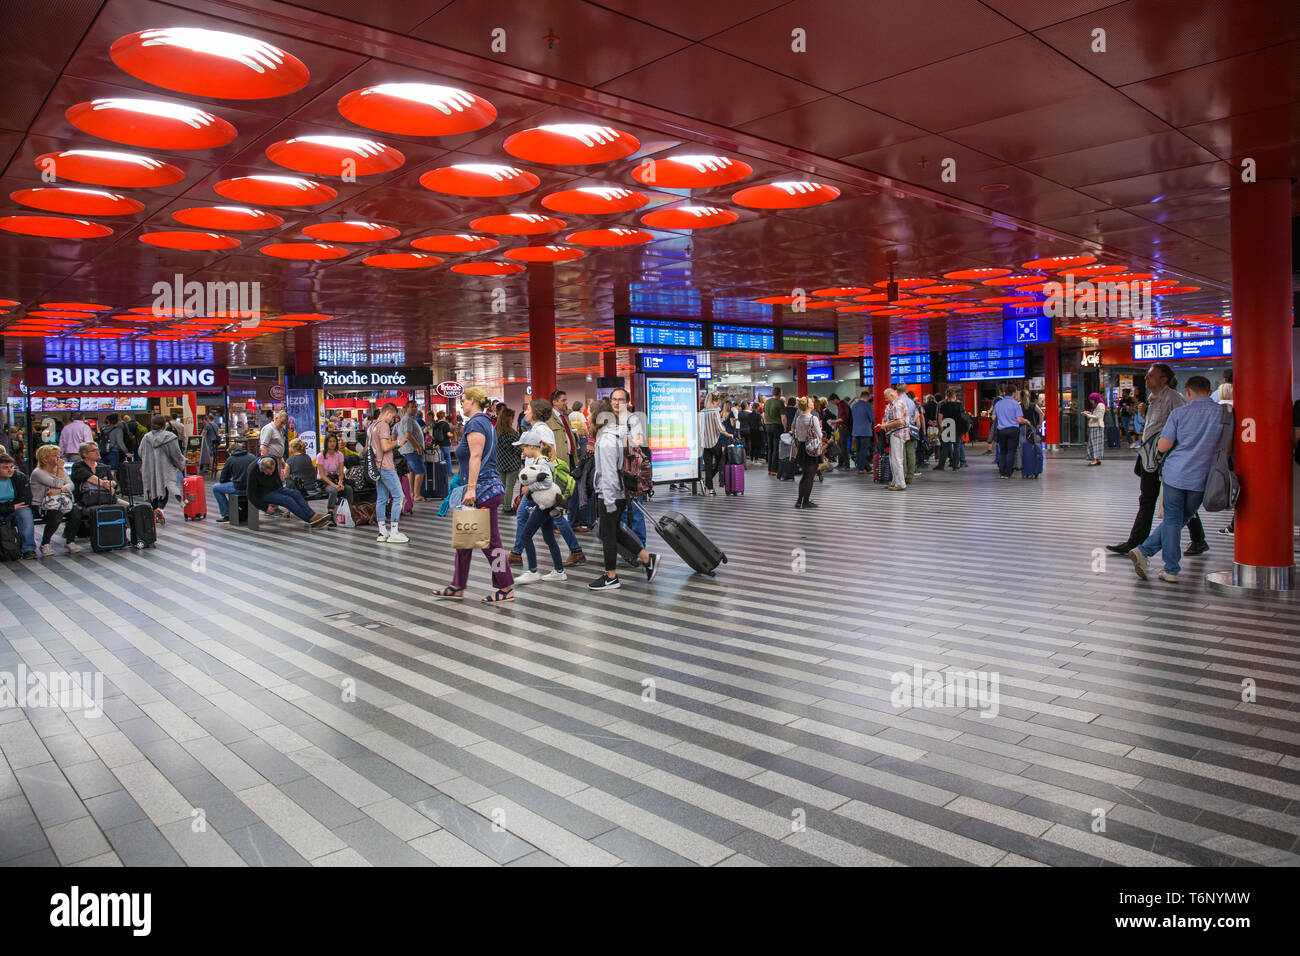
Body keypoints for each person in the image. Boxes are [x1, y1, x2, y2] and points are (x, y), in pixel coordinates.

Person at [1106, 364, 1210, 557]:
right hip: (1151, 456)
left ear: (1164, 380)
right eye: (1147, 374)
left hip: (1164, 458)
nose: (1146, 378)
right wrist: (1144, 414)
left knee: (1165, 501)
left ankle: (1139, 542)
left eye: (1151, 375)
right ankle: (1196, 539)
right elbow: (1156, 425)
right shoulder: (1152, 398)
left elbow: (1182, 425)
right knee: (1151, 499)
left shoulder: (1174, 398)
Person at [1128, 377, 1224, 584]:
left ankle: (1159, 561)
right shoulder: (1223, 414)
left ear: (1187, 392)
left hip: (1175, 474)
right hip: (1202, 477)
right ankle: (1152, 557)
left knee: (1173, 520)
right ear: (1209, 391)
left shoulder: (1179, 413)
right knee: (1183, 518)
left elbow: (1163, 446)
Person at [437, 387, 515, 603]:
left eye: (463, 400)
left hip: (482, 491)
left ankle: (506, 586)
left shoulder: (476, 423)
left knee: (491, 543)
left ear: (473, 401)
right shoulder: (485, 423)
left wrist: (471, 488)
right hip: (482, 489)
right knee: (464, 540)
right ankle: (457, 585)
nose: (461, 404)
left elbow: (476, 455)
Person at [587, 398, 659, 591]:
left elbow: (610, 472)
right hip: (616, 492)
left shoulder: (607, 439)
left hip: (611, 494)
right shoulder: (614, 435)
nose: (587, 417)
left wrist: (609, 501)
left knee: (608, 534)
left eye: (590, 413)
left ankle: (611, 576)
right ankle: (646, 558)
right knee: (612, 531)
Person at [508, 398, 586, 567]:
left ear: (535, 412)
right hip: (538, 482)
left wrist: (533, 482)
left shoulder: (541, 430)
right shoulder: (536, 429)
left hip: (540, 484)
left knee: (535, 516)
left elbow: (549, 456)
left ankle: (518, 553)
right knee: (550, 517)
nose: (525, 412)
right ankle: (517, 552)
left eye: (528, 409)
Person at [512, 428, 571, 586]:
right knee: (549, 537)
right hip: (546, 503)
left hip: (545, 505)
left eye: (523, 448)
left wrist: (529, 489)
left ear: (531, 446)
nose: (523, 451)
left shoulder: (541, 462)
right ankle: (559, 571)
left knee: (525, 536)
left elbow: (547, 481)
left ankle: (532, 571)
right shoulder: (543, 460)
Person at [246, 456, 331, 529]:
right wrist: (264, 507)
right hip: (262, 493)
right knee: (287, 500)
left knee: (295, 493)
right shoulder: (252, 471)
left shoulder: (272, 460)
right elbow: (250, 494)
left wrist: (280, 487)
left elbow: (275, 477)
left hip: (275, 488)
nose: (271, 473)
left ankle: (312, 516)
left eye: (272, 471)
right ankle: (310, 520)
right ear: (262, 468)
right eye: (268, 473)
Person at [29, 445, 82, 556]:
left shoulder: (60, 470)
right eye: (54, 455)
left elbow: (71, 485)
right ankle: (45, 543)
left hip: (61, 501)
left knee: (76, 512)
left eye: (58, 455)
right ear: (45, 459)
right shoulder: (38, 472)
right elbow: (56, 483)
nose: (58, 458)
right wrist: (59, 471)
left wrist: (61, 490)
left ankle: (70, 541)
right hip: (42, 505)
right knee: (55, 515)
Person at [368, 402, 407, 544]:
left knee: (382, 498)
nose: (392, 421)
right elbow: (385, 447)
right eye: (393, 417)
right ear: (388, 413)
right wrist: (397, 442)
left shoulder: (371, 426)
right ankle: (394, 531)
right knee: (399, 497)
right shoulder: (383, 425)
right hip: (386, 466)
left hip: (376, 467)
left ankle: (382, 531)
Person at [139, 415, 184, 524]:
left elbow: (140, 452)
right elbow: (176, 454)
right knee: (164, 489)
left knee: (153, 489)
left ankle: (154, 511)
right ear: (164, 425)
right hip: (165, 468)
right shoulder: (170, 437)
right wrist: (181, 465)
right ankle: (160, 508)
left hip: (149, 468)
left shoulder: (146, 437)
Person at [0, 452, 37, 559]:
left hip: (14, 509)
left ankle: (28, 550)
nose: (10, 470)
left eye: (11, 467)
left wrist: (11, 508)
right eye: (5, 467)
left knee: (25, 513)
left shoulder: (19, 477)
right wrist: (11, 507)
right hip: (9, 507)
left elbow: (26, 499)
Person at [790, 397, 823, 509]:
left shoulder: (799, 418)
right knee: (810, 477)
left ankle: (799, 500)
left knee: (805, 476)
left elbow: (798, 435)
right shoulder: (813, 418)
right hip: (812, 449)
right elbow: (820, 434)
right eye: (811, 402)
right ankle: (806, 502)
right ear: (808, 406)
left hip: (802, 448)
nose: (813, 403)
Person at [214, 442, 256, 523]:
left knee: (216, 488)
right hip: (252, 488)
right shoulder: (252, 457)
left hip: (239, 487)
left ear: (231, 451)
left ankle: (227, 514)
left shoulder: (231, 459)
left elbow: (222, 479)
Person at [990, 386, 1026, 480]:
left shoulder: (998, 404)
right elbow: (1018, 419)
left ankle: (1002, 472)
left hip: (1001, 430)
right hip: (1013, 430)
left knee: (1003, 451)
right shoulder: (1016, 404)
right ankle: (1008, 473)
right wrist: (1025, 421)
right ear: (1013, 393)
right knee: (1011, 451)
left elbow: (993, 418)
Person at [314, 432, 352, 518]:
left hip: (335, 478)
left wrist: (340, 482)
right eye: (330, 441)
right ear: (326, 443)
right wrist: (334, 485)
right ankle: (330, 513)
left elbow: (341, 472)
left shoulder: (339, 455)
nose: (332, 444)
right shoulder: (320, 456)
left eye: (334, 441)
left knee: (348, 489)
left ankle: (349, 511)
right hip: (324, 481)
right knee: (333, 490)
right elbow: (322, 474)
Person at [397, 400, 426, 504]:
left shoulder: (411, 419)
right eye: (413, 407)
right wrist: (417, 446)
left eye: (416, 406)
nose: (415, 408)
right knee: (420, 471)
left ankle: (412, 493)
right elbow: (408, 435)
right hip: (411, 450)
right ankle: (416, 494)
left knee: (412, 472)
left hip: (410, 450)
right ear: (407, 408)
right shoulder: (408, 419)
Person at [881, 388, 909, 491]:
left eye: (886, 397)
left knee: (897, 459)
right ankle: (895, 481)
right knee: (893, 459)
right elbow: (886, 416)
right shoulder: (892, 405)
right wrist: (884, 423)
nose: (885, 399)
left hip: (898, 433)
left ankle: (901, 484)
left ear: (892, 395)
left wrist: (886, 425)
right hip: (894, 433)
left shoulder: (898, 405)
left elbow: (899, 421)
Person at [698, 393, 725, 496]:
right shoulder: (715, 411)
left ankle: (709, 488)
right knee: (720, 463)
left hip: (705, 444)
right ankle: (708, 483)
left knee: (708, 466)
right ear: (715, 402)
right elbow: (719, 427)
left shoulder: (702, 412)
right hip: (715, 442)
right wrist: (727, 432)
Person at [496, 408, 522, 515]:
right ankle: (507, 507)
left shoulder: (496, 431)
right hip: (512, 462)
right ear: (509, 418)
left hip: (500, 462)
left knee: (502, 486)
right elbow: (516, 448)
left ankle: (503, 505)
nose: (513, 419)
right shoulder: (512, 433)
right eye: (512, 417)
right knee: (509, 486)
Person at [936, 388, 965, 471]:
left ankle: (941, 465)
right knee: (957, 446)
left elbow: (940, 417)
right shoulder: (959, 405)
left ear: (947, 396)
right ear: (954, 396)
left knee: (945, 447)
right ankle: (955, 466)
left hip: (947, 427)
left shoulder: (943, 405)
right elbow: (963, 417)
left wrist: (941, 428)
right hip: (957, 427)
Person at [550, 389, 578, 470]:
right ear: (554, 402)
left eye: (566, 400)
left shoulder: (565, 416)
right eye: (563, 400)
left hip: (571, 457)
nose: (566, 403)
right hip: (560, 461)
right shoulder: (548, 419)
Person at [850, 390, 874, 474]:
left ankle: (862, 467)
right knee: (863, 450)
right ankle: (861, 468)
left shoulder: (854, 406)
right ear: (867, 397)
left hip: (856, 431)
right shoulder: (867, 406)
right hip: (865, 431)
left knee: (859, 450)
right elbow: (872, 418)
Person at [763, 387, 785, 476]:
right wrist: (785, 428)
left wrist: (766, 424)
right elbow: (783, 417)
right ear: (779, 393)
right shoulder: (780, 402)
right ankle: (774, 470)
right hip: (777, 426)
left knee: (770, 448)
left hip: (768, 426)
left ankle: (769, 469)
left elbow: (763, 415)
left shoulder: (767, 402)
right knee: (776, 448)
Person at [1084, 392, 1106, 465]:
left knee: (1095, 443)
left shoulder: (1100, 405)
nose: (1091, 401)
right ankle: (1097, 459)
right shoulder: (1098, 405)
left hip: (1097, 426)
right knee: (1094, 443)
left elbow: (1098, 416)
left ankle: (1095, 459)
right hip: (1095, 426)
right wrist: (1090, 413)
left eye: (1091, 400)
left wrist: (1087, 415)